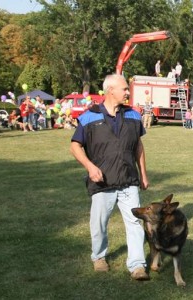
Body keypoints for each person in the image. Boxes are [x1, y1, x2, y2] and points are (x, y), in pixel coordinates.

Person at [70, 74, 150, 280]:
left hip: (128, 180)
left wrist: (143, 173)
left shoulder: (133, 115)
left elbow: (138, 146)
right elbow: (75, 145)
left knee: (134, 222)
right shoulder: (89, 116)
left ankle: (137, 265)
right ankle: (99, 257)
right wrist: (89, 166)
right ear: (110, 90)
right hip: (102, 182)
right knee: (99, 223)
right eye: (124, 89)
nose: (127, 92)